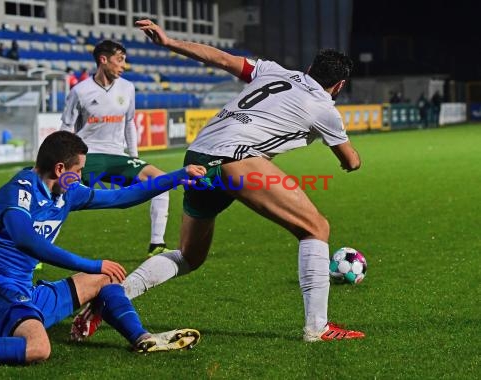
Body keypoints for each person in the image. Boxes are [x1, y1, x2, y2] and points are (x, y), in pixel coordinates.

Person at [71, 19, 365, 343]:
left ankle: (110, 298)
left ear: (309, 68)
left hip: (197, 156)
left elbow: (220, 58)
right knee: (316, 228)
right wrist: (350, 157)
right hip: (237, 158)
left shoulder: (271, 70)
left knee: (188, 256)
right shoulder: (325, 108)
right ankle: (317, 327)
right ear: (338, 86)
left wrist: (169, 43)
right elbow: (350, 160)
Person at [0, 131, 205, 373]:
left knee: (107, 278)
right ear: (61, 169)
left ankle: (142, 339)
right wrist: (90, 263)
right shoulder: (19, 190)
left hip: (24, 291)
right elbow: (26, 240)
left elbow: (120, 196)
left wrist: (177, 176)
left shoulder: (68, 192)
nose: (81, 177)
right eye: (79, 170)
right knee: (38, 347)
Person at [60, 40, 172, 258]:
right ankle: (33, 253)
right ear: (103, 60)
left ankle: (156, 245)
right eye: (119, 60)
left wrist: (134, 157)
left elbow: (129, 122)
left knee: (161, 181)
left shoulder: (127, 88)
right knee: (55, 192)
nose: (124, 65)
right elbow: (66, 127)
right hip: (88, 155)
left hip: (118, 157)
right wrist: (65, 160)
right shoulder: (79, 91)